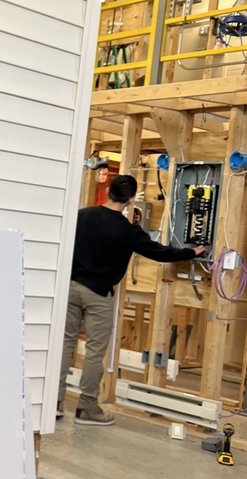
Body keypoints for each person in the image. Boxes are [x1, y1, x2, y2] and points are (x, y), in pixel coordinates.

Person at [57, 174, 205, 426]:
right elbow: (160, 252)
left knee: (64, 345)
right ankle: (87, 408)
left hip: (70, 288)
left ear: (108, 192)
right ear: (130, 200)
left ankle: (54, 404)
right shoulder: (128, 231)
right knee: (94, 352)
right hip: (98, 293)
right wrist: (192, 252)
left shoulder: (82, 216)